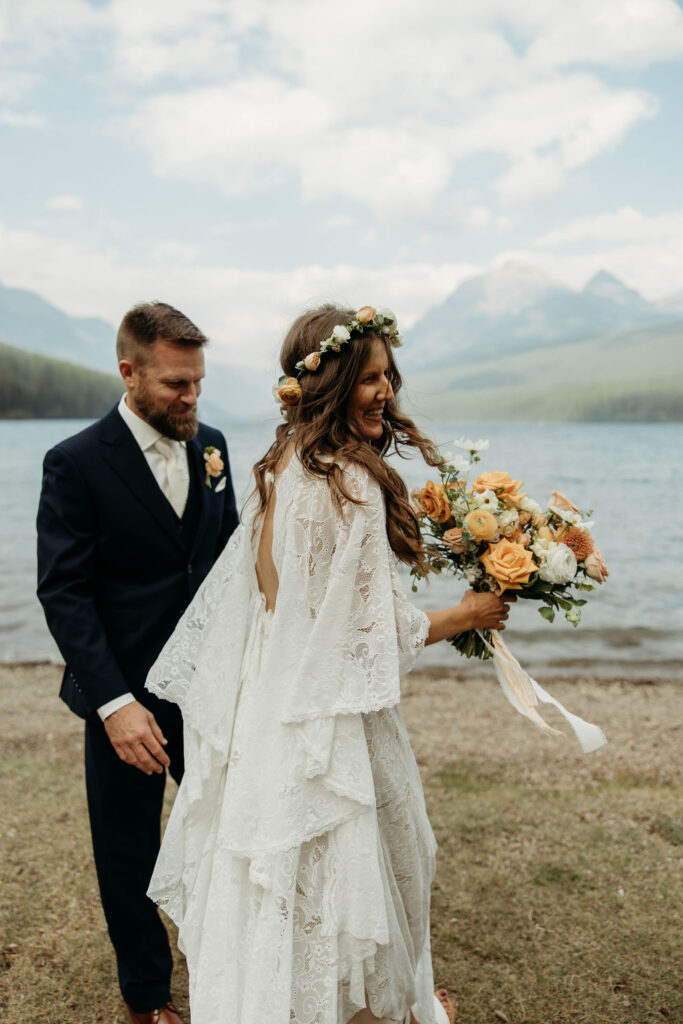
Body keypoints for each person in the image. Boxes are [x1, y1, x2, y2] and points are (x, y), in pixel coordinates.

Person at [145, 304, 513, 1024]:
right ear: (330, 382)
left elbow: (277, 604)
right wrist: (469, 615)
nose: (383, 392)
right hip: (329, 725)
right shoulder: (348, 482)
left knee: (281, 894)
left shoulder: (282, 466)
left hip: (268, 713)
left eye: (387, 376)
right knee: (356, 886)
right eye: (367, 377)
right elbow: (370, 635)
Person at [36, 301, 238, 1024]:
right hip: (127, 698)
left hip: (211, 689)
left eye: (197, 383)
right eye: (175, 385)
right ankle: (147, 998)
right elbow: (63, 594)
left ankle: (235, 971)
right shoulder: (76, 463)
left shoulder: (211, 447)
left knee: (231, 833)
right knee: (129, 853)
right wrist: (115, 704)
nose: (190, 399)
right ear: (129, 372)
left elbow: (229, 565)